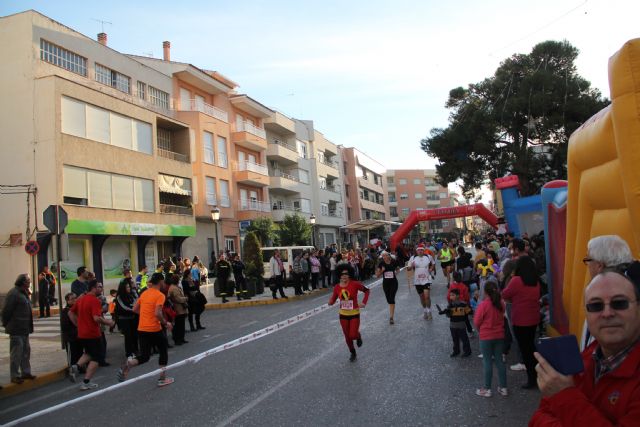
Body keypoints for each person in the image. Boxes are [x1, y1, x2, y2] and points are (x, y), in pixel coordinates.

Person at [530, 262, 640, 425]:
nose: (607, 313)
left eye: (619, 303)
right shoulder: (586, 357)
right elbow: (538, 418)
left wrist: (565, 395)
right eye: (596, 306)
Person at [117, 273, 174, 387]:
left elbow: (134, 309)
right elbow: (158, 313)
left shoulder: (144, 293)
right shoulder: (160, 295)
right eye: (163, 282)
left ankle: (129, 363)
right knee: (163, 351)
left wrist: (145, 315)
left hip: (142, 328)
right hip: (154, 329)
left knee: (145, 356)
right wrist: (166, 323)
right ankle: (162, 379)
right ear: (161, 282)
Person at [502, 256, 541, 389]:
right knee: (531, 347)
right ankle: (538, 373)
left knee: (525, 350)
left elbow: (505, 294)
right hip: (534, 318)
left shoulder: (516, 280)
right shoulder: (535, 281)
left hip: (520, 319)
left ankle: (532, 379)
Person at [68, 280, 115, 390]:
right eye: (99, 287)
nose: (101, 289)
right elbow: (96, 318)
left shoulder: (81, 299)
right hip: (92, 333)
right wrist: (109, 322)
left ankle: (76, 366)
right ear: (93, 288)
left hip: (82, 333)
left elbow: (70, 313)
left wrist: (77, 324)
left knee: (89, 352)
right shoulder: (94, 301)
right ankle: (86, 382)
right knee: (97, 358)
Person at [328, 264, 370, 362]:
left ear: (350, 274)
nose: (344, 276)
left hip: (354, 314)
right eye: (342, 274)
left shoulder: (355, 284)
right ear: (339, 275)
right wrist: (330, 302)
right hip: (343, 315)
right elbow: (333, 299)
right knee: (347, 337)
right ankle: (352, 352)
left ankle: (358, 336)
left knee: (353, 335)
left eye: (346, 274)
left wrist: (364, 302)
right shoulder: (337, 287)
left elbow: (367, 291)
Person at [474, 280, 507, 397]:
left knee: (487, 361)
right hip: (499, 335)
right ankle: (503, 387)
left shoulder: (483, 305)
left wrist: (480, 330)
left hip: (486, 336)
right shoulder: (501, 303)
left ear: (485, 292)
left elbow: (477, 321)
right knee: (499, 360)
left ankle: (487, 389)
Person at [2, 274, 35, 384]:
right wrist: (6, 324)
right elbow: (6, 311)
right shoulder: (14, 293)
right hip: (16, 329)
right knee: (16, 353)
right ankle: (15, 375)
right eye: (28, 280)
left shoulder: (24, 292)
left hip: (24, 329)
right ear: (22, 282)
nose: (30, 282)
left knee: (26, 352)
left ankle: (26, 372)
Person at [438, 288, 472, 357]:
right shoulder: (450, 305)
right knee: (455, 339)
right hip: (453, 326)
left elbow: (469, 311)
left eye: (453, 295)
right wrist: (446, 312)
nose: (451, 297)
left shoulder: (463, 304)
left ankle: (467, 351)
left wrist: (467, 311)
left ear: (458, 296)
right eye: (450, 295)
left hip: (461, 325)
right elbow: (448, 316)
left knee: (464, 339)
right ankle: (456, 351)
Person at [407, 245, 436, 320]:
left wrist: (431, 269)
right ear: (416, 251)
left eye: (421, 250)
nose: (420, 251)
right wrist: (411, 266)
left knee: (427, 296)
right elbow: (408, 269)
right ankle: (425, 311)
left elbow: (433, 263)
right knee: (421, 297)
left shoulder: (428, 256)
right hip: (417, 280)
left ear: (424, 250)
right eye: (418, 250)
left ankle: (429, 311)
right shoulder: (412, 258)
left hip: (427, 279)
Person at [115, 278, 138, 357]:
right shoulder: (119, 297)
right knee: (128, 336)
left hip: (133, 318)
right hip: (124, 319)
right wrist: (133, 309)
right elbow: (124, 307)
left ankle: (136, 350)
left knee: (134, 335)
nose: (129, 288)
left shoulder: (132, 294)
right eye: (127, 287)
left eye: (129, 287)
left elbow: (137, 301)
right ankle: (129, 353)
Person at [375, 251, 400, 325]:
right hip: (386, 284)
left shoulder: (393, 262)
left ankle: (391, 317)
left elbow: (398, 269)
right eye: (383, 256)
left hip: (394, 282)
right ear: (382, 257)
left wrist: (396, 272)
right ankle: (391, 309)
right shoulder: (381, 264)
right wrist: (382, 271)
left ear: (389, 256)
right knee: (388, 299)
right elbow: (377, 275)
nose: (385, 257)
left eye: (386, 256)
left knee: (392, 299)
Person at [61, 292, 82, 368]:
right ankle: (72, 369)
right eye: (72, 299)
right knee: (72, 355)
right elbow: (65, 326)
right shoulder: (66, 311)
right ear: (67, 301)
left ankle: (80, 367)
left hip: (79, 336)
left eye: (75, 298)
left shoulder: (78, 308)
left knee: (80, 353)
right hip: (71, 338)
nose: (75, 300)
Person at [167, 273, 189, 345]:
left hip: (179, 309)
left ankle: (181, 338)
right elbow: (178, 299)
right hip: (178, 309)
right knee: (178, 325)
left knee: (181, 325)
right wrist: (185, 298)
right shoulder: (174, 288)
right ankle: (178, 339)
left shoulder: (175, 287)